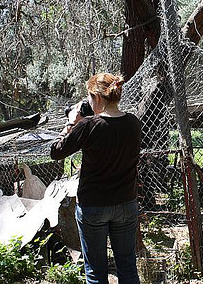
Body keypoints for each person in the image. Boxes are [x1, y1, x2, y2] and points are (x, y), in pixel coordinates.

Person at [50, 73, 141, 284]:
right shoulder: (133, 123)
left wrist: (70, 123)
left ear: (97, 98)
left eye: (89, 97)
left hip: (94, 205)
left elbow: (56, 151)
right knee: (127, 267)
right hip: (126, 203)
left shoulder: (88, 125)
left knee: (95, 271)